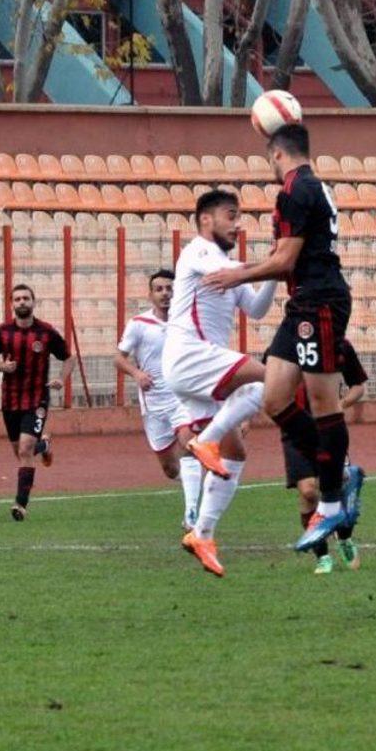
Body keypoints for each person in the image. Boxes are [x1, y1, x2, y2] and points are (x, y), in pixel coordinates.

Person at [203, 123, 352, 552]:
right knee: (273, 398)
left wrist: (239, 274)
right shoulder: (313, 186)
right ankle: (337, 470)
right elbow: (289, 259)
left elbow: (286, 259)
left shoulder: (293, 190)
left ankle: (330, 500)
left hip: (319, 302)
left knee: (324, 402)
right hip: (303, 302)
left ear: (276, 155)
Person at [162, 189, 278, 576]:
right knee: (270, 377)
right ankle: (207, 438)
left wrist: (276, 274)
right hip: (189, 355)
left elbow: (257, 310)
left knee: (237, 454)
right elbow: (229, 275)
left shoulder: (230, 264)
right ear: (206, 220)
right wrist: (278, 260)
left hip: (197, 367)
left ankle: (202, 533)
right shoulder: (197, 251)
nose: (238, 223)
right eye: (231, 215)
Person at [114, 269, 203, 531]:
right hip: (154, 405)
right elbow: (118, 358)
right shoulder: (139, 324)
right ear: (151, 294)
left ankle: (191, 514)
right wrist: (137, 373)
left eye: (169, 288)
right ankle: (193, 487)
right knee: (169, 468)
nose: (165, 293)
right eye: (159, 289)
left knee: (189, 445)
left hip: (182, 399)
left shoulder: (187, 322)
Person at [0, 283, 75, 521]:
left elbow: (68, 358)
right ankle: (44, 446)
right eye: (17, 299)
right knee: (22, 451)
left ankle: (20, 505)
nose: (22, 302)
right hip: (10, 399)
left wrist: (61, 379)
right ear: (12, 304)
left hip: (36, 398)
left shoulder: (46, 332)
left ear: (33, 302)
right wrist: (2, 366)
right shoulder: (2, 332)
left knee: (24, 449)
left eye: (26, 298)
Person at [281, 338, 368, 575]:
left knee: (338, 487)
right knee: (309, 492)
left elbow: (358, 386)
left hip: (329, 427)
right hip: (295, 430)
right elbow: (265, 384)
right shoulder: (284, 345)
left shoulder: (340, 345)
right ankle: (322, 556)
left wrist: (341, 404)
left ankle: (344, 538)